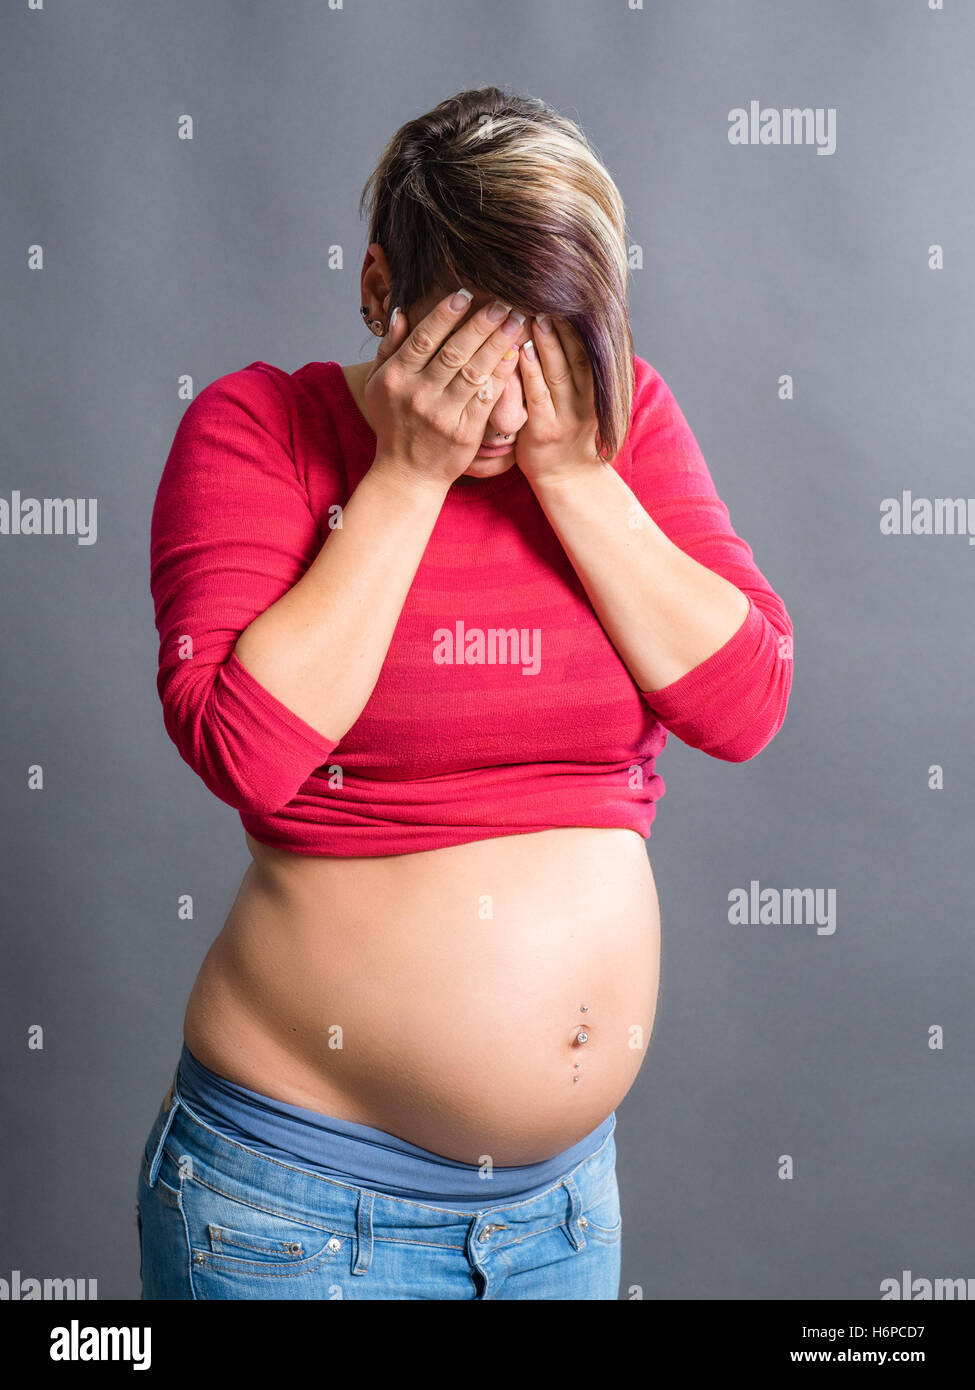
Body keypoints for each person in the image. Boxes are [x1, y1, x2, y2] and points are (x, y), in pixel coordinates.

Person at [136, 85, 793, 1301]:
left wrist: (573, 472)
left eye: (552, 349)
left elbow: (745, 704)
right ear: (381, 288)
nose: (510, 402)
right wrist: (405, 478)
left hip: (561, 1218)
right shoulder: (261, 428)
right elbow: (243, 748)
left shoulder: (618, 421)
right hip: (297, 1210)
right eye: (470, 348)